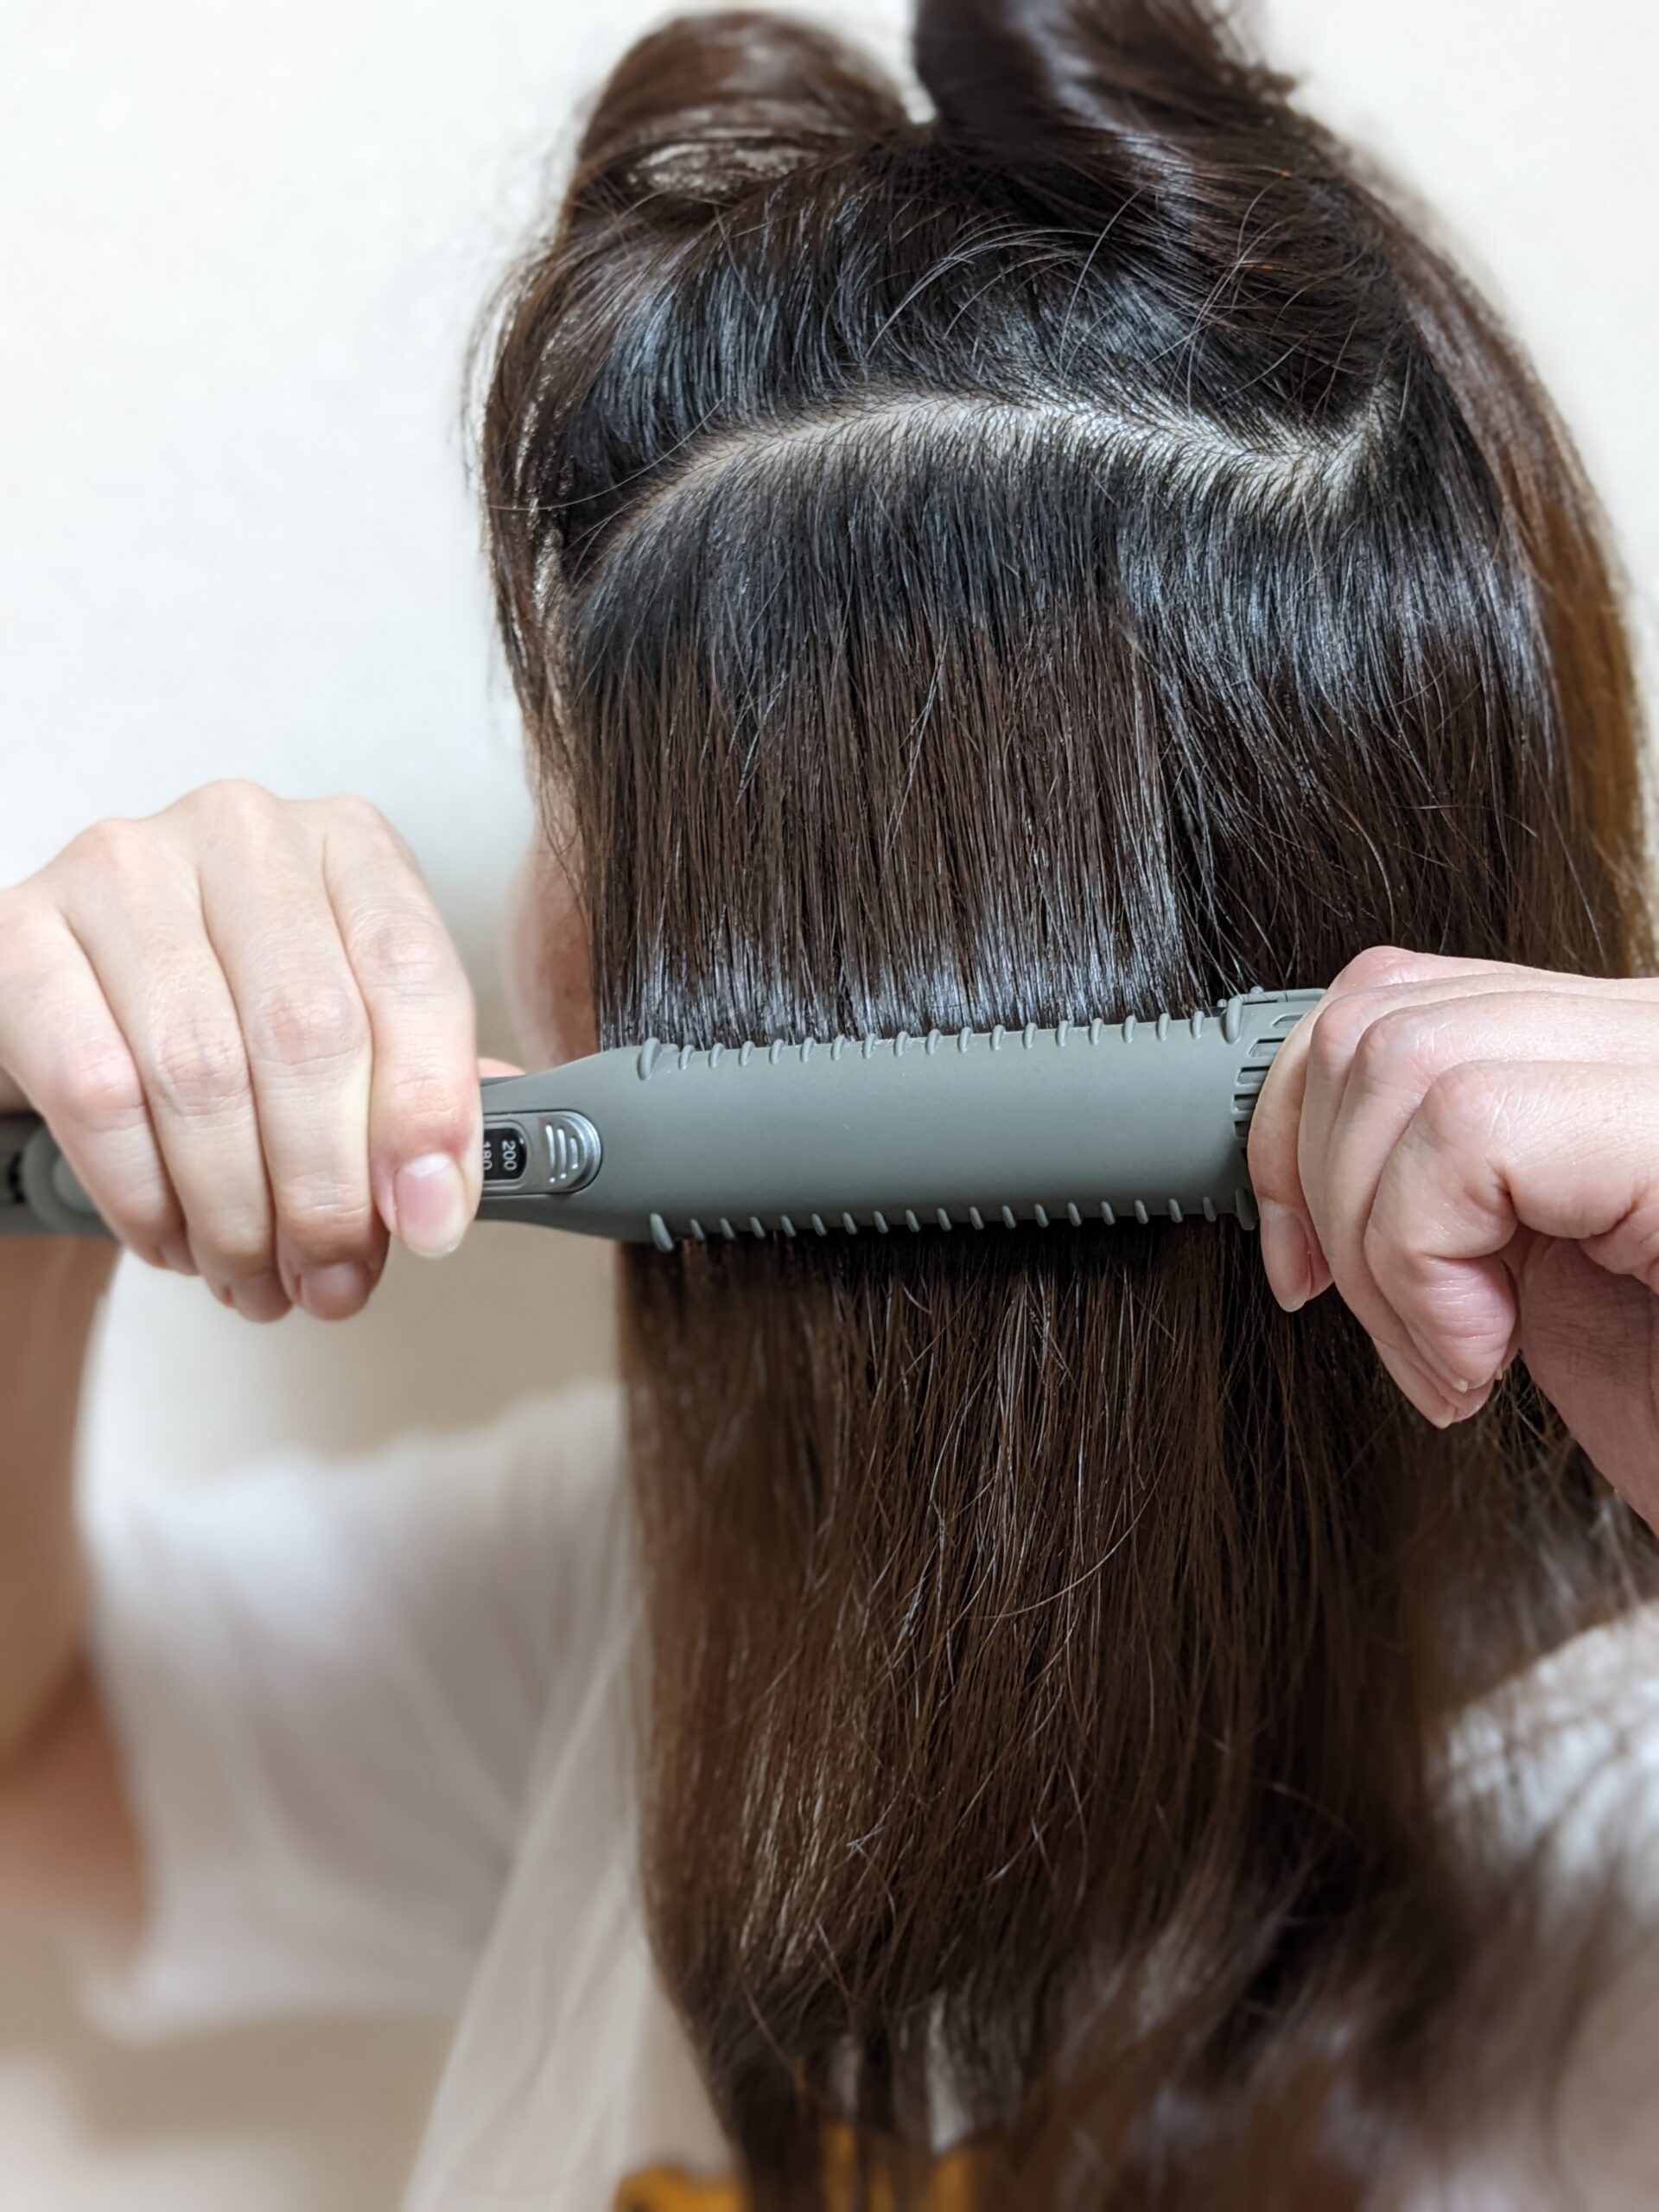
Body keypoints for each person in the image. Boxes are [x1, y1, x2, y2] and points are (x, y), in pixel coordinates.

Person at [3, 1, 1659, 2206]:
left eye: (576, 816)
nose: (528, 955)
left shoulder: (1617, 1863)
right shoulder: (658, 1601)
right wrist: (42, 1159)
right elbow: (42, 1756)